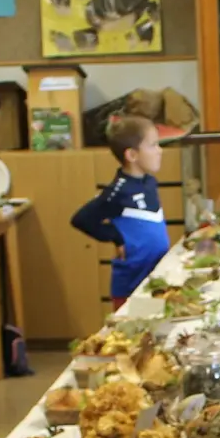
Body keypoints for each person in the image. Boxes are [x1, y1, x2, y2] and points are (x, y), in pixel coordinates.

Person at [70, 115, 169, 310]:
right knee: (135, 327)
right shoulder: (118, 192)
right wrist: (117, 237)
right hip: (132, 283)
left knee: (159, 323)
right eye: (153, 145)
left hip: (155, 276)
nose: (160, 150)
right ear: (132, 155)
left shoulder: (150, 182)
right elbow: (81, 219)